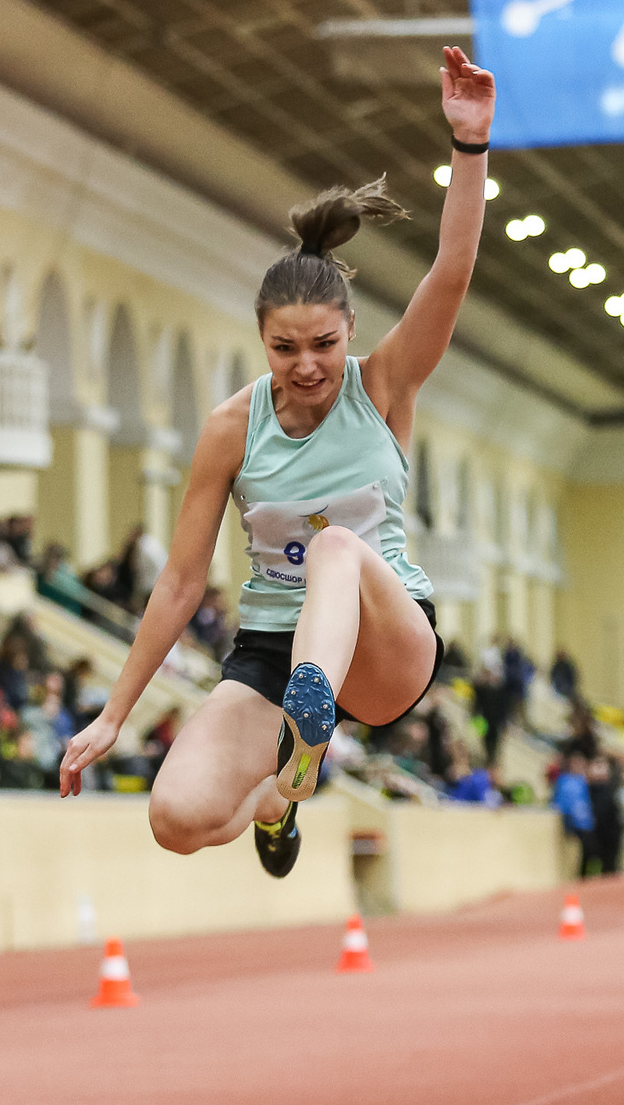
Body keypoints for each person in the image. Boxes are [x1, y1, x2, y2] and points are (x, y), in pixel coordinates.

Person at [55, 46, 495, 877]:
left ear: (350, 330)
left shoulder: (384, 385)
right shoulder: (232, 427)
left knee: (337, 546)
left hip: (385, 644)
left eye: (324, 344)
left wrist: (469, 144)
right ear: (261, 338)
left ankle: (310, 723)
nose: (307, 366)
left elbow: (452, 271)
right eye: (284, 347)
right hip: (273, 645)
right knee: (175, 818)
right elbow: (181, 581)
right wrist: (115, 713)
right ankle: (278, 794)